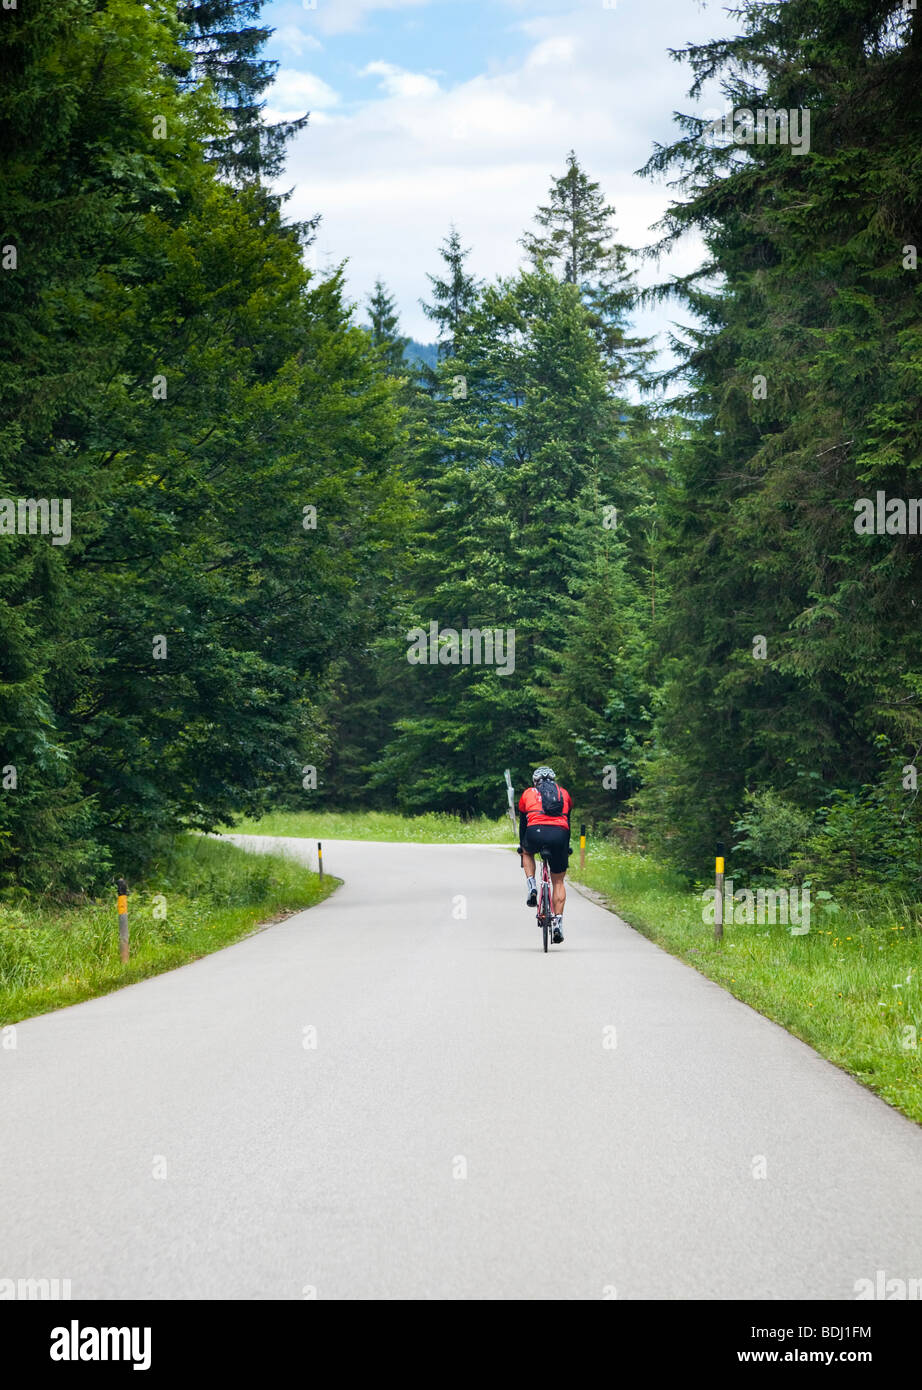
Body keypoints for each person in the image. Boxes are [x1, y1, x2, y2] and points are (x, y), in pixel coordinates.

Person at [517, 766, 572, 943]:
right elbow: (567, 824)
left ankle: (532, 885)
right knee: (558, 881)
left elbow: (523, 826)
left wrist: (522, 846)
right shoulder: (564, 794)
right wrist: (566, 847)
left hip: (535, 832)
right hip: (560, 836)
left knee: (527, 851)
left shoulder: (528, 793)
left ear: (535, 782)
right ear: (553, 781)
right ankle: (558, 923)